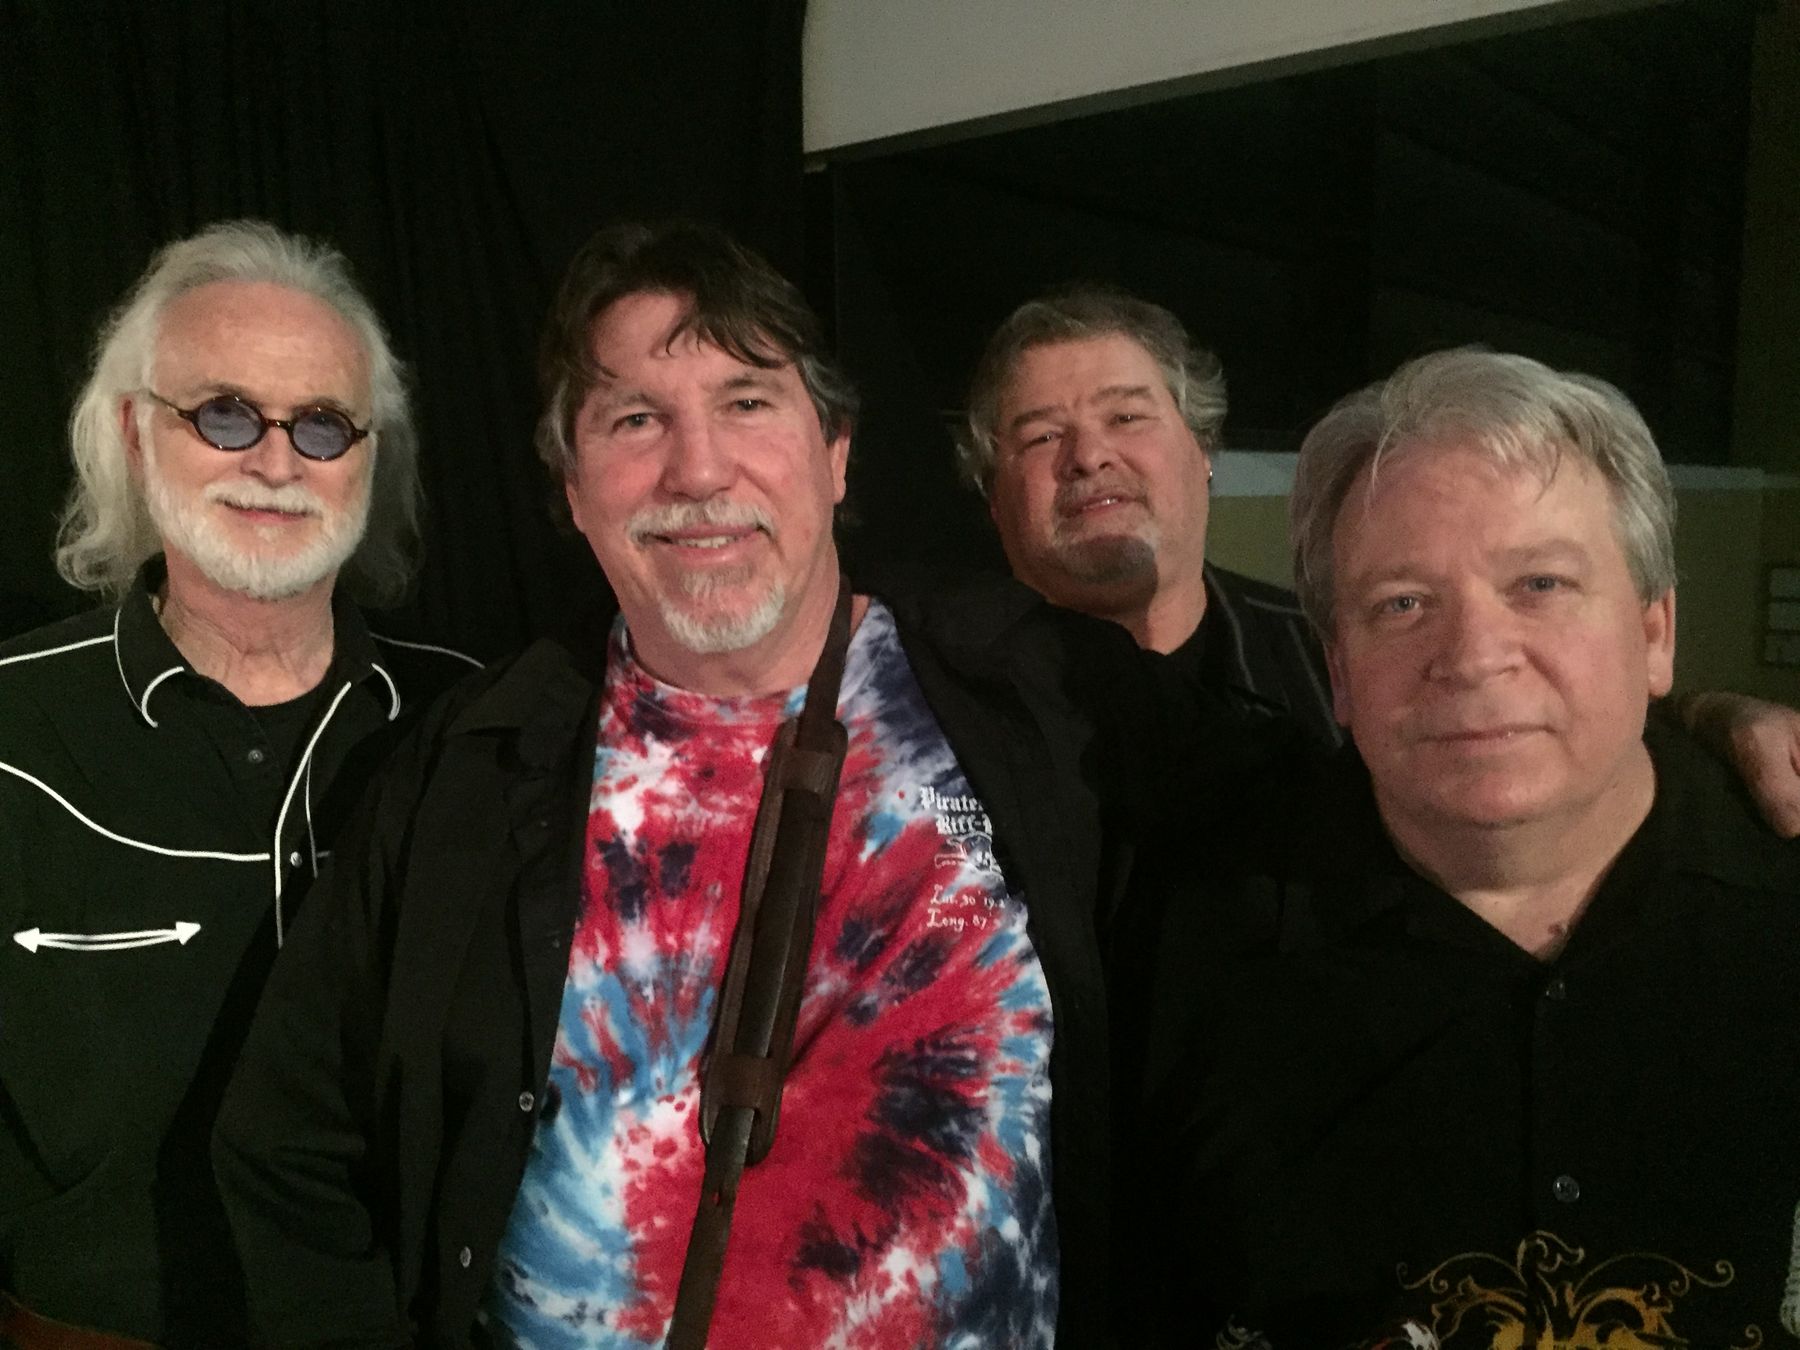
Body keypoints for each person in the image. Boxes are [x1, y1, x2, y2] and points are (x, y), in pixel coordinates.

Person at [213, 221, 1231, 1349]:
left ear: (836, 452)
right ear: (572, 486)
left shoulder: (1040, 705)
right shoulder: (467, 770)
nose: (698, 471)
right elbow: (288, 1142)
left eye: (747, 402)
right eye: (635, 420)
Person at [1127, 349, 1800, 1348]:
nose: (1475, 655)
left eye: (1541, 582)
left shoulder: (1777, 904)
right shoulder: (1201, 932)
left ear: (1656, 633)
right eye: (1403, 603)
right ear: (1339, 673)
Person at [0, 221, 478, 1346]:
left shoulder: (473, 727)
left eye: (322, 425)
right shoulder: (13, 729)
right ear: (135, 433)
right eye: (224, 414)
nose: (275, 463)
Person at [959, 285, 1339, 747]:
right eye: (1044, 436)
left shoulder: (1338, 659)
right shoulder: (929, 701)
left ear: (1202, 448)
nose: (1089, 456)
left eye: (1125, 418)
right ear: (993, 497)